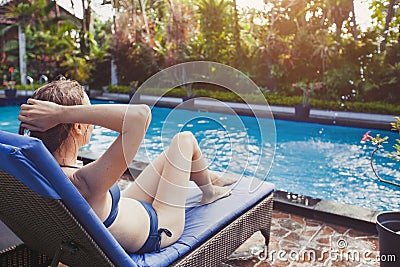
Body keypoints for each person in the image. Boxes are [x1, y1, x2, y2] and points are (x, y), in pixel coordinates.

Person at [18, 78, 236, 254]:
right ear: (77, 125)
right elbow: (140, 116)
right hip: (159, 228)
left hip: (127, 209)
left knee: (174, 155)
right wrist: (61, 113)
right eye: (89, 113)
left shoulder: (34, 170)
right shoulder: (84, 182)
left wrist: (62, 115)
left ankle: (205, 175)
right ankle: (209, 190)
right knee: (184, 140)